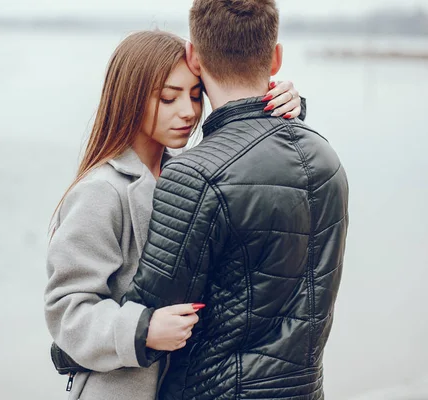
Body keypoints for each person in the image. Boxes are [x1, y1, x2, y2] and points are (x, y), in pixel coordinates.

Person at [44, 30, 304, 400]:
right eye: (169, 97)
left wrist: (282, 105)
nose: (189, 111)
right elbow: (67, 310)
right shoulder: (102, 190)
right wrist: (142, 329)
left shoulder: (194, 176)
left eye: (196, 95)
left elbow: (255, 175)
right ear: (129, 98)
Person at [121, 1, 350, 399]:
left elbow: (151, 311)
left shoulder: (195, 174)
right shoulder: (325, 157)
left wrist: (66, 352)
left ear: (193, 57)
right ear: (276, 57)